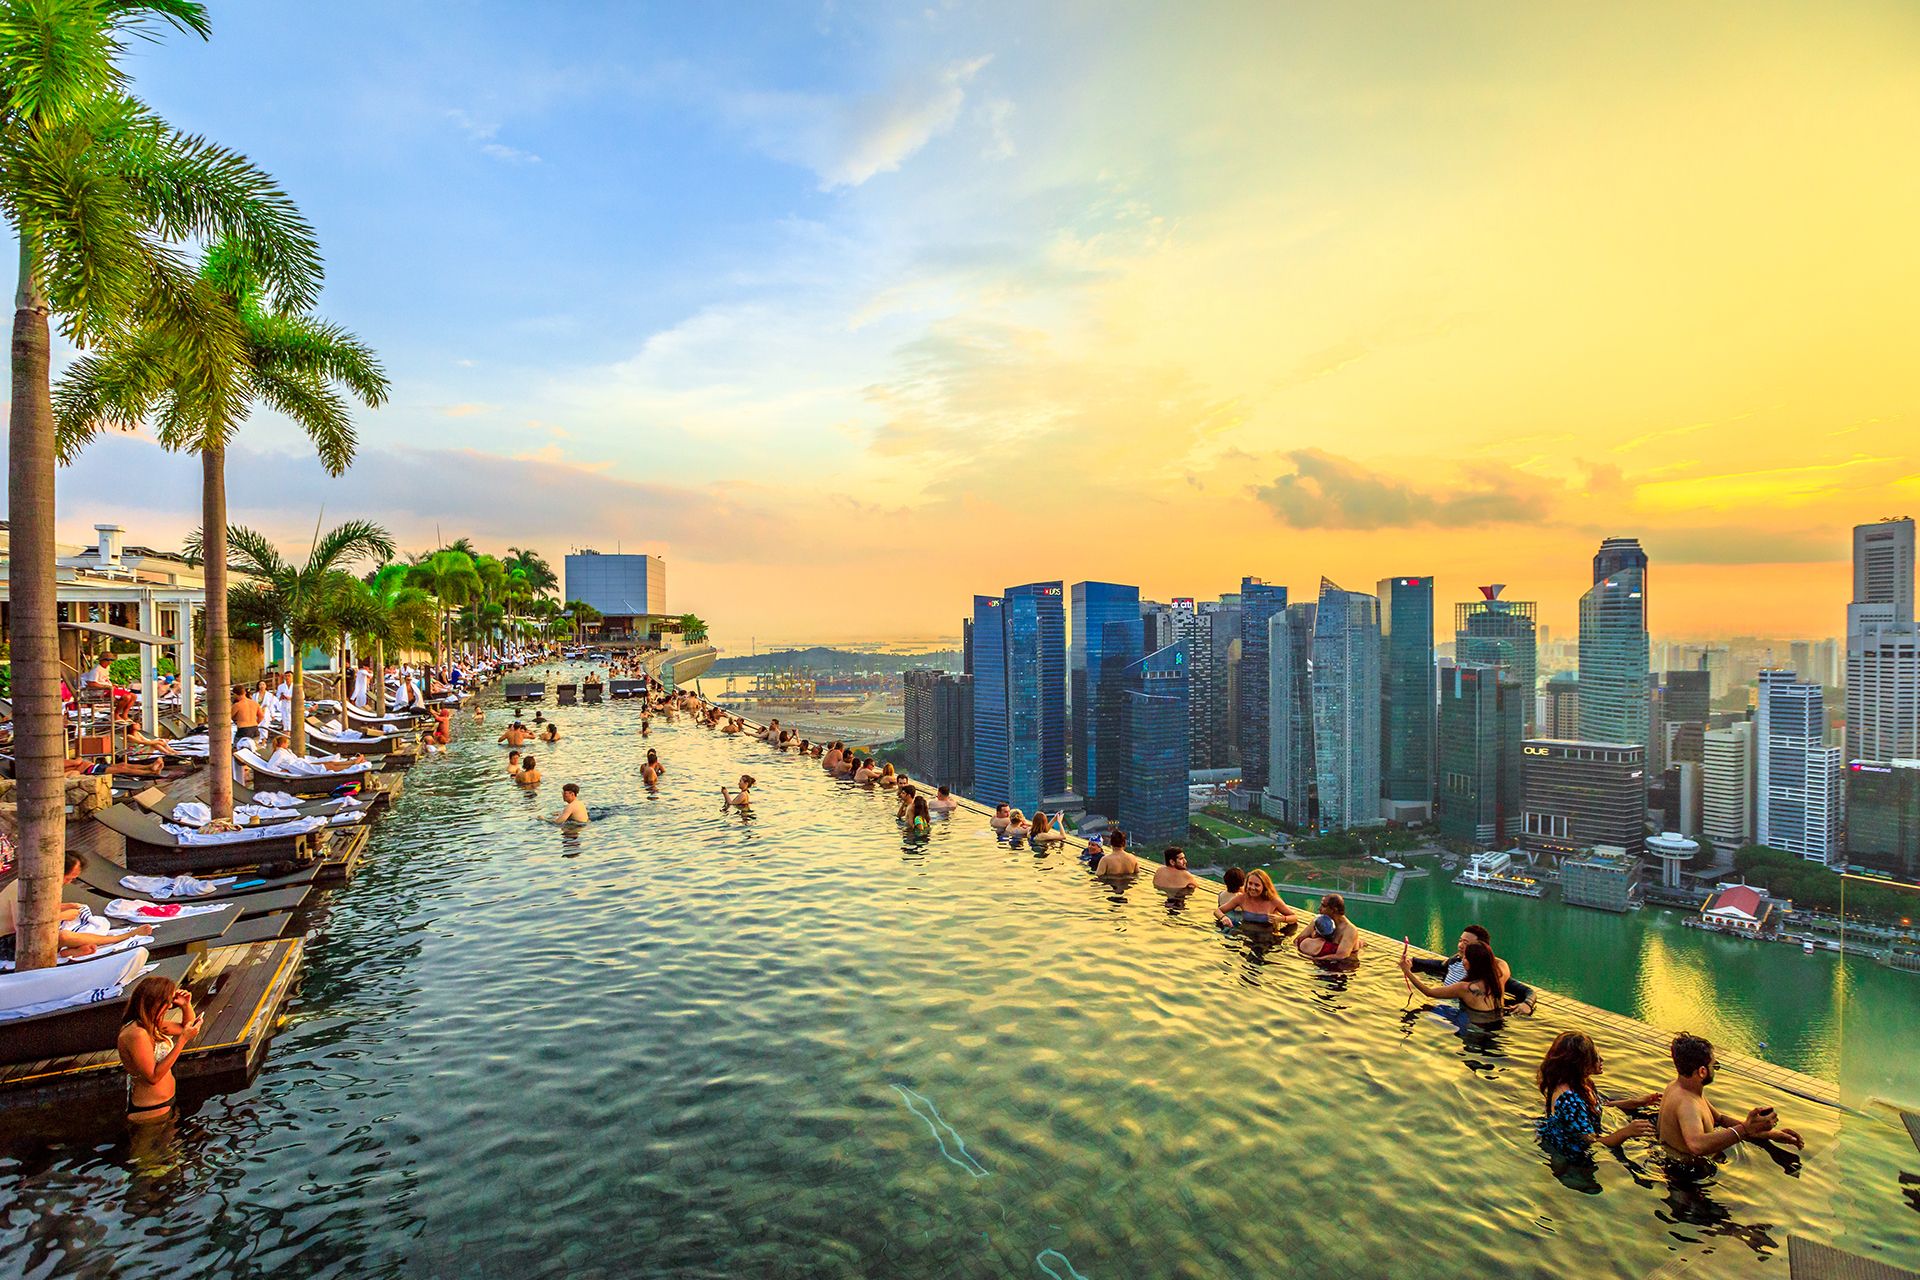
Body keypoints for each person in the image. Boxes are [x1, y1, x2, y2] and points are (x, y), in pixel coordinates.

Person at [1657, 1033, 1803, 1158]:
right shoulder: (1687, 1103)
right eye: (1714, 1066)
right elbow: (1697, 1145)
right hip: (1683, 1179)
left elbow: (1720, 1119)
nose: (1715, 1069)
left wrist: (1770, 1133)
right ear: (1702, 1072)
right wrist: (1745, 1129)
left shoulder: (1679, 1088)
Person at [0, 852, 154, 962]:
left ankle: (66, 952)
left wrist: (67, 907)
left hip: (23, 935)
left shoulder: (44, 885)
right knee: (62, 936)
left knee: (65, 926)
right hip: (6, 941)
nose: (68, 883)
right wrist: (63, 915)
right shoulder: (24, 886)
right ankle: (119, 938)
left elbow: (39, 911)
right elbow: (25, 925)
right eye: (68, 878)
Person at [1535, 1031, 1660, 1154]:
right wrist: (1626, 1132)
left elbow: (1599, 1105)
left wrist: (1635, 1102)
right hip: (1573, 1156)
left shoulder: (1580, 1083)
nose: (1602, 1059)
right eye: (1594, 1057)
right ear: (1580, 1063)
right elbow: (1592, 1143)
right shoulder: (1570, 1100)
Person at [117, 975, 201, 1122]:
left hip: (166, 1102)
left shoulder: (151, 1025)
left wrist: (185, 1006)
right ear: (154, 1003)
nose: (170, 1006)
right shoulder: (136, 1034)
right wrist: (182, 1041)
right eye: (167, 1002)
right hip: (151, 1109)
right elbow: (153, 1077)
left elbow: (185, 1028)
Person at [1410, 924, 1537, 1016]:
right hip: (1448, 1007)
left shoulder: (1492, 976)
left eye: (1466, 943)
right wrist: (1412, 961)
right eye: (1460, 941)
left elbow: (1527, 991)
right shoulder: (1455, 961)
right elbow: (1438, 965)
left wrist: (1527, 1004)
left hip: (1467, 1016)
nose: (1460, 945)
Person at [1401, 940, 1505, 1025]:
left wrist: (1407, 971)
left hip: (1474, 1029)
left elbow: (1428, 992)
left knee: (1428, 1011)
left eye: (1465, 957)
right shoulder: (1500, 976)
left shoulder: (1465, 988)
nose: (1462, 959)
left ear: (1474, 962)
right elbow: (1499, 961)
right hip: (1497, 1022)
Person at [1215, 868, 1295, 925]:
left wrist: (1281, 919)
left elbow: (1294, 917)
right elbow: (1218, 911)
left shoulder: (1273, 900)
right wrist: (1223, 918)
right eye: (1250, 883)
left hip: (1266, 939)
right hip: (1246, 937)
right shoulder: (1242, 898)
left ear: (1264, 886)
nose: (1252, 888)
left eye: (1257, 885)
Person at [1295, 893, 1362, 961]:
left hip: (1342, 965)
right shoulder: (1319, 920)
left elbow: (1342, 956)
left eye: (1323, 906)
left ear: (1334, 910)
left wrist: (1315, 959)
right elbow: (1297, 940)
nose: (1319, 909)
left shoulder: (1349, 930)